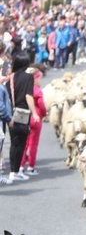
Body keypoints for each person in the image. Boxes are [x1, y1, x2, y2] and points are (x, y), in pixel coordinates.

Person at [5, 54, 38, 183]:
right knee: (21, 143)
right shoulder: (28, 77)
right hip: (22, 113)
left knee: (14, 143)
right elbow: (28, 96)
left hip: (11, 113)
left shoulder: (10, 78)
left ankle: (13, 172)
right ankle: (17, 171)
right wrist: (34, 112)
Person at [20, 66, 46, 176]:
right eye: (39, 78)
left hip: (25, 117)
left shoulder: (25, 88)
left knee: (24, 144)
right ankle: (31, 166)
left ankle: (20, 166)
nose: (40, 80)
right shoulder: (38, 91)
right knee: (33, 144)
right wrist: (44, 114)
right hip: (36, 118)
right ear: (35, 79)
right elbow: (41, 106)